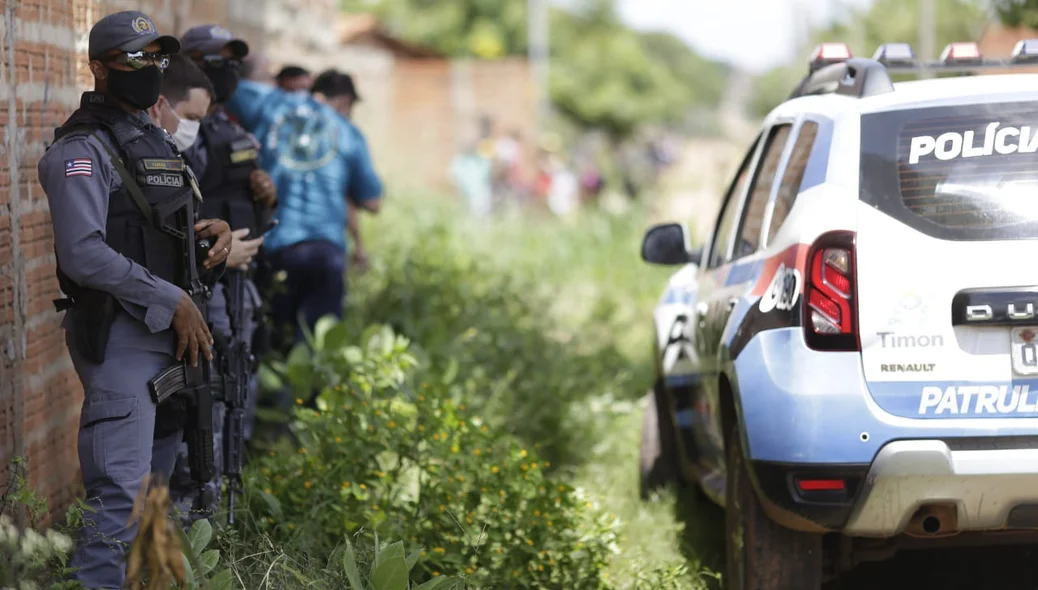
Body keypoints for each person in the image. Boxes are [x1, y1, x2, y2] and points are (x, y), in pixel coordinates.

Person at [37, 11, 232, 587]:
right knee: (119, 497)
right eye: (133, 58)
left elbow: (154, 227)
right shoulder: (80, 150)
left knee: (156, 495)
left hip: (169, 337)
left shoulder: (148, 136)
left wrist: (209, 234)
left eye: (157, 58)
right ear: (97, 68)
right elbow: (83, 253)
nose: (149, 69)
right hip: (122, 334)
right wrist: (171, 298)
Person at [169, 24, 278, 523]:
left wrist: (265, 193)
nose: (228, 72)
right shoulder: (175, 129)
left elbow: (244, 200)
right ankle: (192, 501)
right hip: (197, 284)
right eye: (216, 62)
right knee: (202, 392)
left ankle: (221, 489)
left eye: (232, 62)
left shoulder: (230, 129)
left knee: (235, 381)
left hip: (236, 285)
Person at [225, 68, 383, 364]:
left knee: (270, 340)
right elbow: (373, 201)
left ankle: (270, 402)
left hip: (276, 245)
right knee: (315, 345)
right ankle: (306, 405)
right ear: (345, 100)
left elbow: (226, 83)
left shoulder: (270, 105)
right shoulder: (346, 131)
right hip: (326, 249)